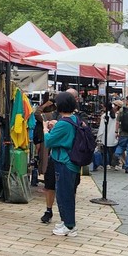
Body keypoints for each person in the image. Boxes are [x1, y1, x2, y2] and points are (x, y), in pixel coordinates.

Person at [43, 91, 81, 238]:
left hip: (64, 162)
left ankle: (69, 225)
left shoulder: (63, 124)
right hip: (72, 162)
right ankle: (66, 221)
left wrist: (46, 129)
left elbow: (49, 141)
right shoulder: (74, 119)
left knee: (64, 194)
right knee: (67, 193)